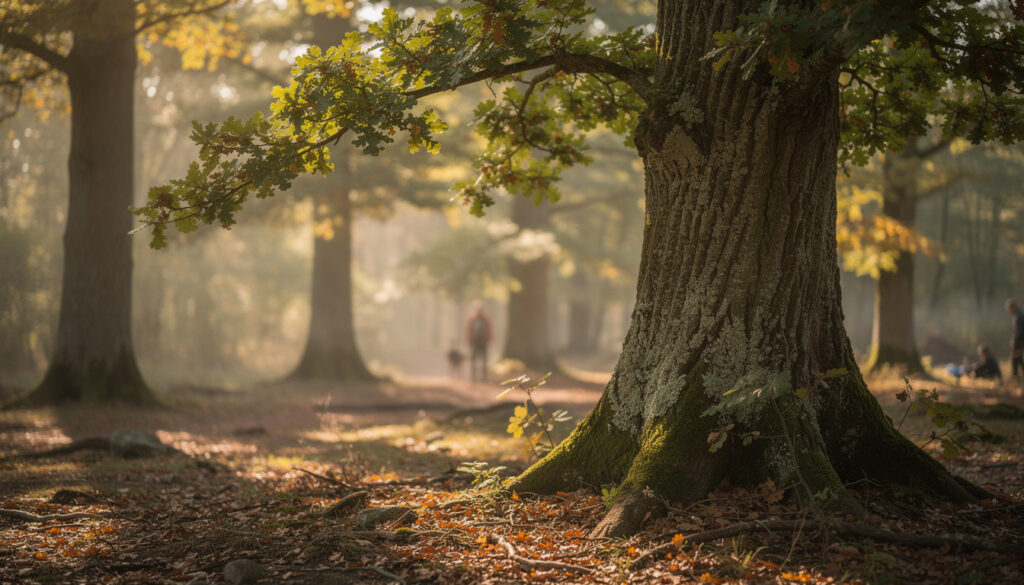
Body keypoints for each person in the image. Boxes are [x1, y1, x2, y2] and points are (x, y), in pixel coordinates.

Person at [464, 301, 492, 382]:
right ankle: (473, 376)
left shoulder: (485, 319)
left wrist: (488, 339)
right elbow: (468, 330)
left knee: (484, 359)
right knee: (474, 359)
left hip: (483, 341)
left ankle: (484, 377)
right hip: (475, 341)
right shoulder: (472, 319)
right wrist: (469, 340)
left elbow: (489, 330)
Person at [1008, 299, 1024, 379]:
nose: (1009, 311)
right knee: (1019, 358)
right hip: (1019, 341)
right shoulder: (1017, 315)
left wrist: (1014, 340)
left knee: (1014, 358)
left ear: (1013, 307)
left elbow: (1020, 331)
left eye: (1009, 308)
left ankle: (1015, 375)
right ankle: (1016, 375)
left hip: (1019, 342)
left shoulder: (1019, 316)